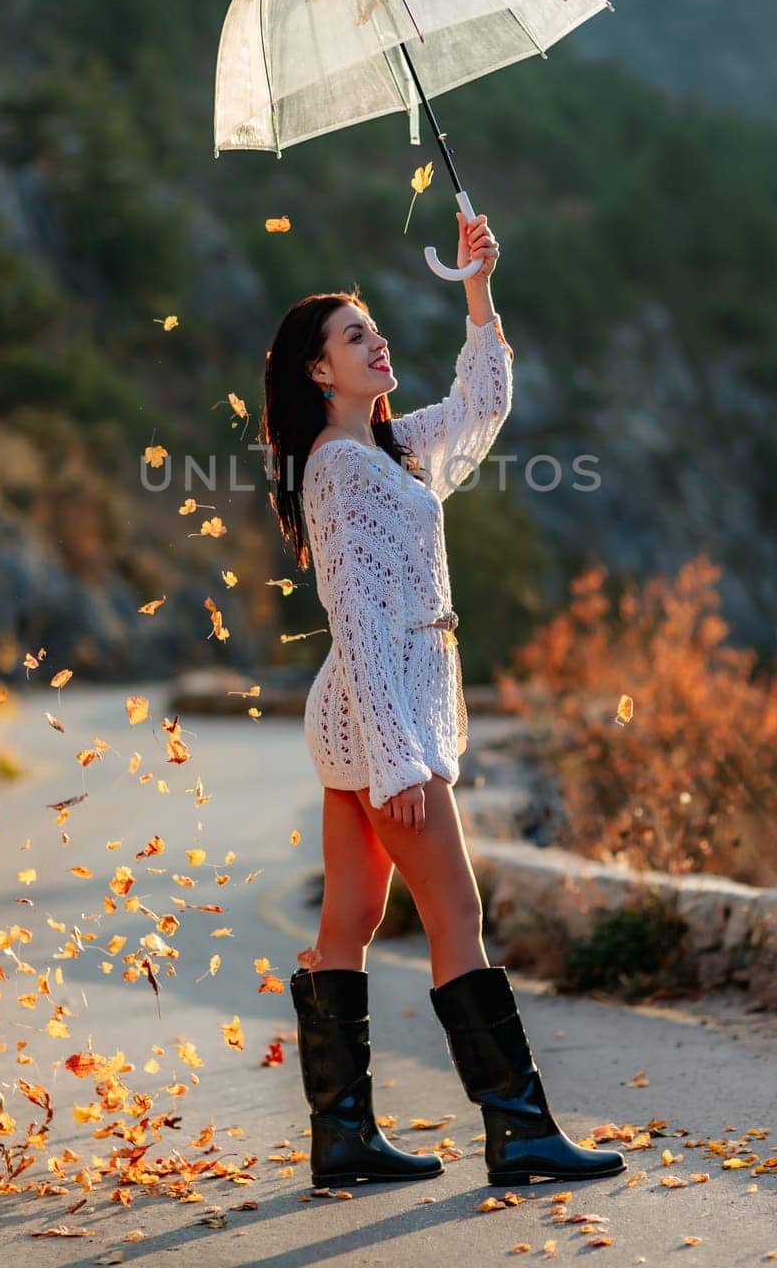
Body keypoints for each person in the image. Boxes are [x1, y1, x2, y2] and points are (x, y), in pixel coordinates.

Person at [258, 210, 626, 1189]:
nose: (375, 340)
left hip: (361, 718)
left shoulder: (391, 449)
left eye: (373, 327)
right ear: (316, 372)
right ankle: (520, 1131)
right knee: (453, 913)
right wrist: (396, 759)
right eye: (352, 335)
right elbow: (357, 621)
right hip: (382, 718)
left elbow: (482, 403)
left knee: (347, 918)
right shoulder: (338, 472)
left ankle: (342, 1140)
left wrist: (475, 287)